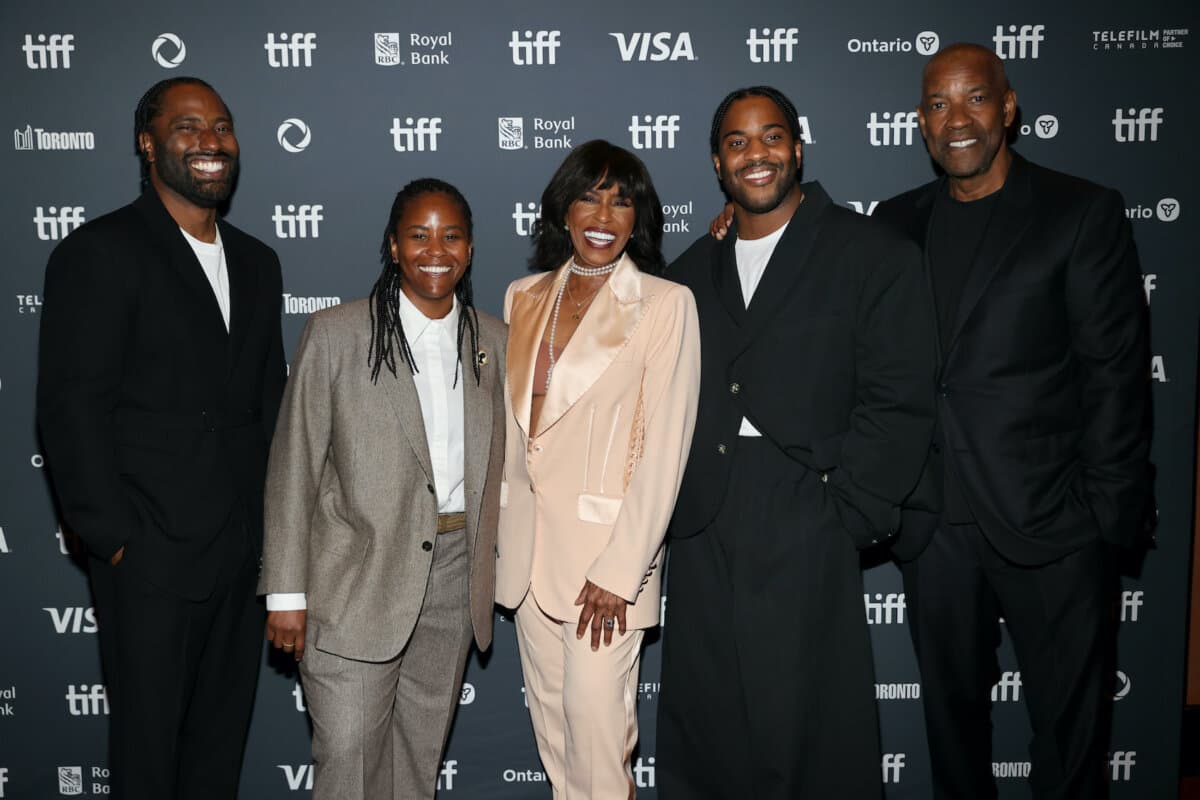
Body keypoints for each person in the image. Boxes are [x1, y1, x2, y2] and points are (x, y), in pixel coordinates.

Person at [870, 43, 1152, 799]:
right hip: (936, 529)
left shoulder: (1079, 211)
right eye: (937, 104)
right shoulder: (894, 225)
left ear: (1009, 106)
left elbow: (1116, 376)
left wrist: (1104, 516)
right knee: (953, 743)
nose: (955, 119)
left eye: (973, 99)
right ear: (920, 123)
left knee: (1069, 742)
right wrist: (737, 221)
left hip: (1055, 523)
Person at [658, 86, 936, 799]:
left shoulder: (867, 250)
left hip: (808, 503)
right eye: (739, 142)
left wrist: (851, 508)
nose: (758, 155)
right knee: (711, 725)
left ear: (798, 148)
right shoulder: (690, 273)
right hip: (704, 516)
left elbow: (899, 397)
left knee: (810, 727)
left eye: (772, 137)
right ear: (718, 164)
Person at [36, 77, 286, 799]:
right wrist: (115, 539)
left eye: (221, 126)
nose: (210, 141)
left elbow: (269, 406)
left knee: (216, 757)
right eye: (187, 126)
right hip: (149, 559)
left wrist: (277, 537)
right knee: (148, 761)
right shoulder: (100, 251)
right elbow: (69, 407)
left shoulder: (258, 262)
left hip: (242, 558)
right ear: (147, 144)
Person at [258, 178, 506, 800]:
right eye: (418, 235)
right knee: (348, 762)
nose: (435, 250)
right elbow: (295, 463)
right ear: (392, 246)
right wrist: (285, 592)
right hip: (354, 580)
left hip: (454, 577)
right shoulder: (337, 334)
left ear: (470, 249)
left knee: (416, 762)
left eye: (451, 236)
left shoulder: (494, 341)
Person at [495, 139, 700, 798]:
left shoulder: (667, 305)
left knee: (597, 738)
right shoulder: (522, 296)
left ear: (639, 217)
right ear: (563, 208)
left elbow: (666, 446)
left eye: (622, 199)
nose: (604, 213)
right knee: (557, 741)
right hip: (529, 559)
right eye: (590, 194)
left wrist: (622, 569)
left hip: (605, 570)